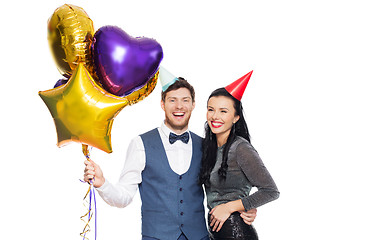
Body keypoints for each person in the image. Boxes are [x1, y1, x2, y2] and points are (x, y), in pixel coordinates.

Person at [83, 68, 257, 240]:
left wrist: (245, 207)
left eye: (185, 100)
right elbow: (123, 198)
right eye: (172, 100)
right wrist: (102, 183)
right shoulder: (140, 144)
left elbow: (222, 190)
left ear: (193, 105)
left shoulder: (206, 146)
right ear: (162, 104)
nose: (179, 106)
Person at [199, 71, 280, 240]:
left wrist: (230, 207)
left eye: (223, 111)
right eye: (211, 109)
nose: (215, 116)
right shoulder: (208, 147)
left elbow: (271, 190)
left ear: (235, 117)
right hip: (216, 233)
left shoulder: (240, 148)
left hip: (236, 232)